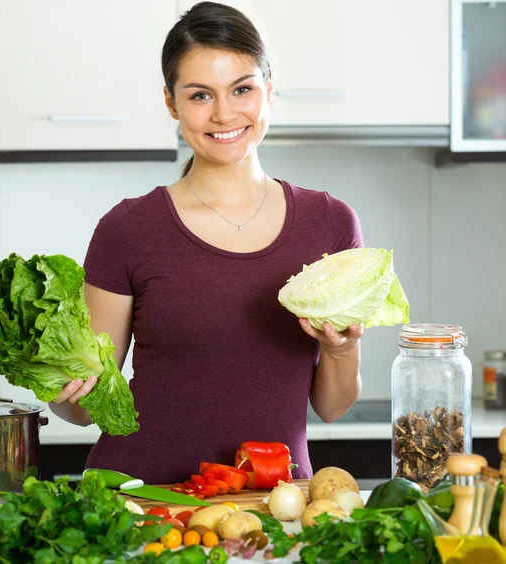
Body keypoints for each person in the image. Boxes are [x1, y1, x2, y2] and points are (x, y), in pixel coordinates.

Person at [49, 1, 364, 485]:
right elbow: (89, 410)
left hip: (273, 503)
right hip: (142, 501)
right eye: (199, 95)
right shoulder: (128, 229)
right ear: (172, 103)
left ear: (269, 91)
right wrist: (62, 391)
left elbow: (332, 407)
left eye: (242, 89)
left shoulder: (330, 224)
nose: (224, 113)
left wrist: (342, 352)